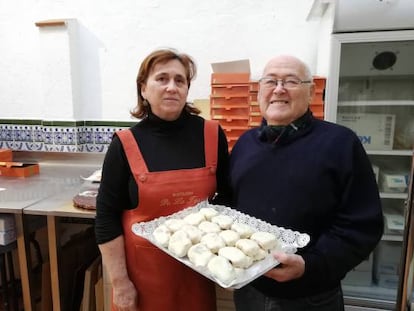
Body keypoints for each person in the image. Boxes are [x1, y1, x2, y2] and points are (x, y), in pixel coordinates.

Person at [229, 55, 384, 311]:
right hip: (250, 292)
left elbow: (362, 226)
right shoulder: (245, 144)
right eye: (270, 81)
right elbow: (231, 209)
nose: (279, 89)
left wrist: (311, 265)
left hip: (312, 297)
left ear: (311, 92)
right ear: (258, 92)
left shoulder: (340, 144)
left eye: (291, 81)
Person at [94, 48, 231, 311]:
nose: (172, 87)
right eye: (162, 79)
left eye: (180, 80)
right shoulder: (125, 143)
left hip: (198, 273)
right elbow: (106, 216)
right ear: (143, 89)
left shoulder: (212, 135)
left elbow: (226, 199)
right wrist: (121, 283)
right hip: (142, 279)